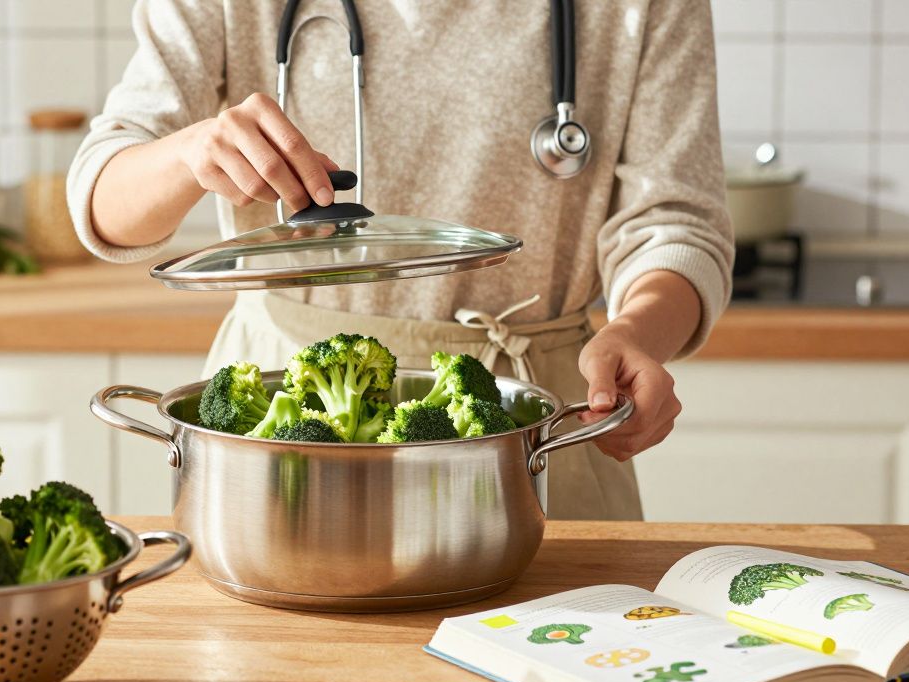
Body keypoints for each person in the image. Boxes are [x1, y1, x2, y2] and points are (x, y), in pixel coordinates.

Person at [67, 1, 734, 520]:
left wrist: (636, 332)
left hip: (538, 427)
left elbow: (676, 221)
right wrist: (190, 154)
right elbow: (102, 200)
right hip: (281, 426)